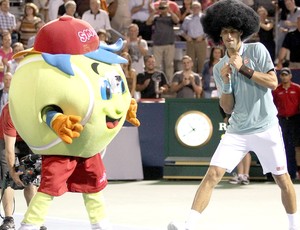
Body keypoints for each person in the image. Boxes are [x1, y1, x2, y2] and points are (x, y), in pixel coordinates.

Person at [167, 1, 298, 230]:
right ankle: (189, 224)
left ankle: (294, 225)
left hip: (266, 127)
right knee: (213, 174)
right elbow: (227, 108)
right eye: (225, 32)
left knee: (283, 180)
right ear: (220, 35)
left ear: (241, 33)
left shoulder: (257, 50)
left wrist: (243, 69)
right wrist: (226, 83)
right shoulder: (219, 68)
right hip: (237, 130)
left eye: (233, 32)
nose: (228, 36)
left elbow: (273, 82)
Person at [0, 103, 45, 230]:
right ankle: (8, 219)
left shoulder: (37, 109)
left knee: (31, 177)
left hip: (28, 139)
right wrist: (13, 172)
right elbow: (9, 149)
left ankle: (33, 218)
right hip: (5, 139)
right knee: (7, 177)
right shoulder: (10, 111)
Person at [272, 67, 300, 180]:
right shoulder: (276, 90)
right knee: (281, 146)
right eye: (282, 75)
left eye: (286, 75)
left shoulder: (297, 89)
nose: (284, 77)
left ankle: (298, 171)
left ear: (290, 76)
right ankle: (281, 172)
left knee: (297, 146)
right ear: (280, 76)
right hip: (281, 120)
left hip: (295, 120)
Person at [146, 0, 179, 83]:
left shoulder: (170, 17)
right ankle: (157, 83)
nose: (162, 9)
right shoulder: (156, 18)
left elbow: (177, 20)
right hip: (157, 44)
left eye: (164, 7)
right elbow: (148, 22)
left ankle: (169, 83)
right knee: (156, 66)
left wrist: (170, 11)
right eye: (161, 7)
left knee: (169, 65)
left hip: (169, 44)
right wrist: (154, 12)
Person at [180, 1, 207, 74]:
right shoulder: (187, 18)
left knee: (202, 61)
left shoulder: (204, 18)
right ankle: (191, 78)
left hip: (201, 41)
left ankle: (201, 80)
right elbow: (182, 30)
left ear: (200, 8)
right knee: (190, 62)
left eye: (197, 7)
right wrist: (186, 36)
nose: (195, 9)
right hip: (190, 42)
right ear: (191, 8)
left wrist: (203, 36)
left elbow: (209, 30)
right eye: (193, 7)